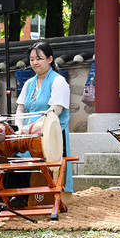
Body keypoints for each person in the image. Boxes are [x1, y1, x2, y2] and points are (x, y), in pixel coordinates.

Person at [14, 41, 73, 193]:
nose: (34, 62)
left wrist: (30, 129)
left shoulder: (58, 81)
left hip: (50, 136)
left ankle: (26, 196)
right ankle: (11, 196)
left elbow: (55, 111)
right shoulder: (29, 83)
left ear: (50, 59)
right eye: (32, 59)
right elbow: (20, 109)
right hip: (27, 136)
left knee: (26, 160)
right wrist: (20, 129)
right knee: (8, 157)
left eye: (39, 58)